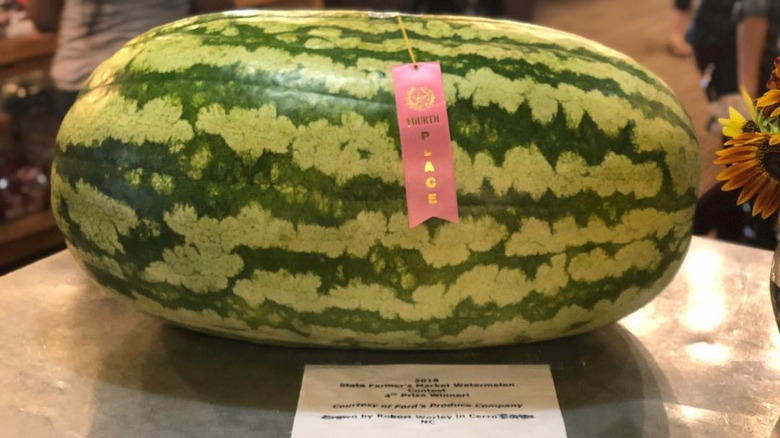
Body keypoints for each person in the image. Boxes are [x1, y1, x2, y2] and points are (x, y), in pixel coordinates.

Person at [25, 0, 233, 120]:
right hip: (158, 71)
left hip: (78, 76)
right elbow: (215, 7)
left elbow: (43, 17)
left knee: (85, 182)